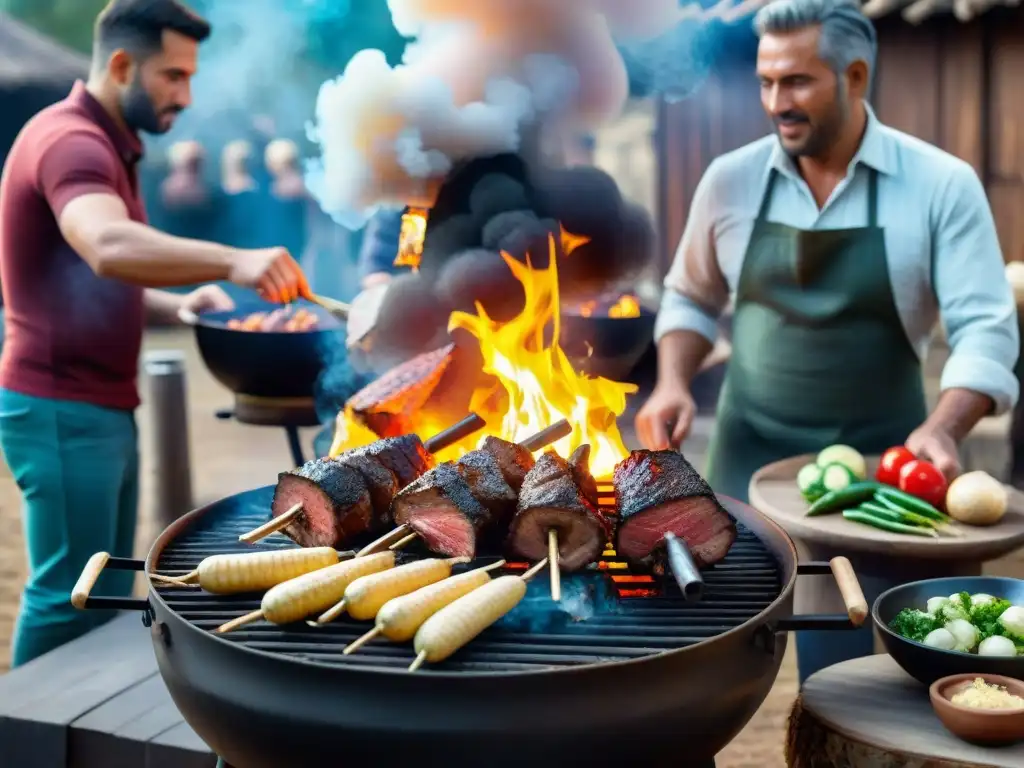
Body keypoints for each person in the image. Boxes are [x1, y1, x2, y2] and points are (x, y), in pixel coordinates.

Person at [635, 0, 1018, 682]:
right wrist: (670, 381)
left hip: (881, 480)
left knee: (849, 674)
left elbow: (986, 327)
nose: (776, 102)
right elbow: (692, 297)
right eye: (766, 82)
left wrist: (944, 427)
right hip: (744, 472)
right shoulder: (729, 180)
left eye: (798, 82)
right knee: (706, 664)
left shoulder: (940, 185)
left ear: (856, 76)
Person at [0, 0, 309, 667]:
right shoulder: (72, 142)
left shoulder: (109, 144)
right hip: (61, 408)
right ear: (120, 65)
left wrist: (178, 305)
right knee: (64, 596)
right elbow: (107, 246)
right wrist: (232, 261)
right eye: (173, 76)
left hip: (97, 405)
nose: (185, 96)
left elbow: (92, 282)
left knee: (104, 585)